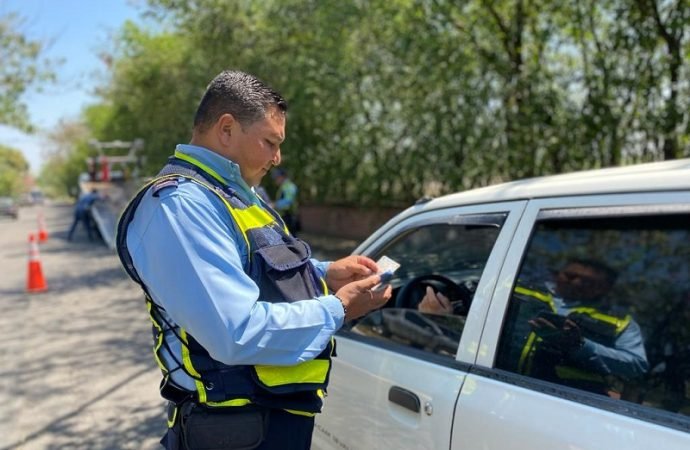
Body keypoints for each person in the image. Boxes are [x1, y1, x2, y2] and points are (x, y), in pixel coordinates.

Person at [115, 70, 392, 450]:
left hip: (269, 422)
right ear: (226, 129)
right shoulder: (182, 206)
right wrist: (338, 309)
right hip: (231, 430)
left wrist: (326, 273)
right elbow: (235, 331)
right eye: (270, 142)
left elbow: (258, 269)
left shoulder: (240, 193)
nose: (277, 158)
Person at [420, 258, 649, 396]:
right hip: (489, 391)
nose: (576, 282)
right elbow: (474, 322)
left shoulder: (619, 322)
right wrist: (441, 318)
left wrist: (581, 346)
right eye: (570, 276)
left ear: (604, 288)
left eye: (588, 281)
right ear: (558, 274)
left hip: (566, 407)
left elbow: (637, 366)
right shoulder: (512, 289)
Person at [270, 168, 300, 235]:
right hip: (285, 216)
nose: (275, 180)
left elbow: (288, 201)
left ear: (282, 177)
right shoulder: (284, 186)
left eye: (276, 177)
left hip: (288, 217)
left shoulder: (288, 186)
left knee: (290, 239)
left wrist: (274, 205)